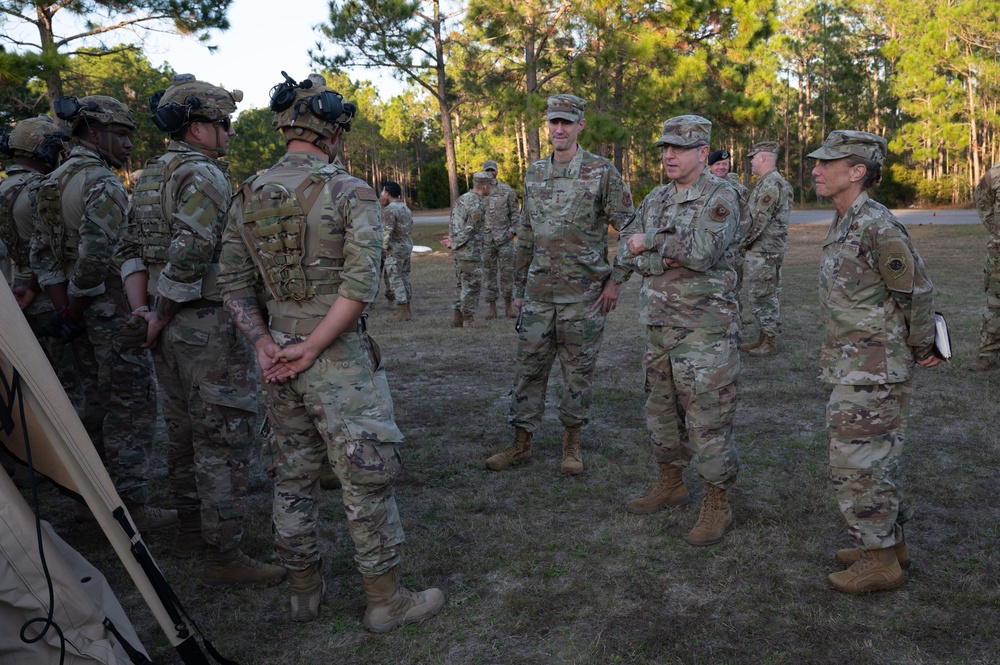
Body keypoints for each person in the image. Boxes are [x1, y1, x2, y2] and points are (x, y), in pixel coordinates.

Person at [218, 72, 444, 628]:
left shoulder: (247, 193)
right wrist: (314, 346)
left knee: (292, 477)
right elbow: (359, 285)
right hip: (335, 359)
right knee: (365, 478)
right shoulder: (351, 191)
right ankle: (385, 601)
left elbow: (233, 284)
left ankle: (303, 593)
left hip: (278, 360)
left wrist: (268, 345)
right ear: (331, 130)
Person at [114, 74, 284, 587]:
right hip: (202, 323)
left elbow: (130, 250)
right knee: (223, 437)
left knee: (183, 431)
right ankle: (224, 555)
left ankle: (191, 528)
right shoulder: (204, 176)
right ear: (196, 128)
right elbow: (190, 254)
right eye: (223, 124)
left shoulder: (147, 176)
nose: (230, 133)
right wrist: (161, 313)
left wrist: (144, 312)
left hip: (165, 328)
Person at [30, 95, 175, 532]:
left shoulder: (51, 182)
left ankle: (89, 501)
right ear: (93, 132)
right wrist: (77, 305)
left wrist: (63, 310)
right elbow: (98, 256)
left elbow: (42, 253)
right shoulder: (103, 183)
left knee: (90, 403)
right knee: (129, 403)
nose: (129, 143)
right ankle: (130, 503)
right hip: (106, 306)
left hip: (72, 310)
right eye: (121, 133)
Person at [809, 130, 940, 594]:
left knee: (858, 461)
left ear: (858, 171)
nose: (816, 169)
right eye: (817, 162)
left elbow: (916, 291)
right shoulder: (845, 218)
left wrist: (925, 347)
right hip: (854, 361)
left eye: (828, 163)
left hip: (874, 367)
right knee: (873, 458)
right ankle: (888, 544)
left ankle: (880, 560)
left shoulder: (878, 225)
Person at [485, 94, 633, 475]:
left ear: (580, 125)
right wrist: (518, 290)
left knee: (577, 372)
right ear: (547, 125)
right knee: (528, 369)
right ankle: (521, 443)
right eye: (553, 122)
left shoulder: (602, 172)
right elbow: (527, 234)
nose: (559, 129)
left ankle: (572, 444)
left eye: (567, 122)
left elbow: (631, 228)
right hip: (537, 295)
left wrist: (617, 280)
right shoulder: (534, 172)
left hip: (583, 298)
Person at [618, 115, 743, 547]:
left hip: (704, 330)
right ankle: (670, 481)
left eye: (678, 148)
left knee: (708, 418)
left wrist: (649, 241)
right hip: (657, 324)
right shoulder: (657, 197)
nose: (668, 155)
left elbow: (704, 251)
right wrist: (658, 252)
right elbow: (624, 246)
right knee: (660, 412)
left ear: (702, 153)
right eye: (664, 148)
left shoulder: (722, 195)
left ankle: (717, 502)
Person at [0, 116, 71, 345]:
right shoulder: (44, 190)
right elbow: (50, 251)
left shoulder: (4, 187)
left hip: (8, 299)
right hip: (44, 298)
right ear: (46, 150)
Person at [739, 141, 793, 357]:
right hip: (767, 249)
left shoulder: (770, 184)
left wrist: (741, 244)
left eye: (753, 157)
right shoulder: (769, 182)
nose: (751, 161)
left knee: (762, 295)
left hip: (764, 250)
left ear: (763, 157)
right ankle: (762, 338)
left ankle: (769, 342)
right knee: (764, 293)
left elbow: (757, 223)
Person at [445, 171, 494, 328]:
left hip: (460, 253)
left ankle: (457, 318)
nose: (491, 189)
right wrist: (454, 243)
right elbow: (470, 229)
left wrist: (452, 240)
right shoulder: (477, 205)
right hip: (470, 252)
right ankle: (468, 319)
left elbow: (454, 223)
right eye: (490, 185)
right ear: (485, 186)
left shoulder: (463, 199)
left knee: (461, 284)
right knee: (471, 285)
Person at [969, 162, 1000, 371]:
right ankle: (987, 354)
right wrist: (995, 231)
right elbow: (982, 201)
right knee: (995, 303)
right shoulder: (995, 174)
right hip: (999, 253)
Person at [481, 158, 520, 320]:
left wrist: (513, 231)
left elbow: (515, 214)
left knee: (507, 273)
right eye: (487, 170)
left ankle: (508, 306)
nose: (490, 173)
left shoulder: (506, 191)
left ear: (497, 171)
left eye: (493, 170)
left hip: (504, 239)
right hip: (486, 240)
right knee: (489, 273)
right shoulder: (478, 192)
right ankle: (491, 308)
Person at [380, 181, 414, 321]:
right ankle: (407, 308)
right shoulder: (405, 208)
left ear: (387, 193)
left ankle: (402, 309)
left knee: (395, 279)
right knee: (405, 277)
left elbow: (387, 231)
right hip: (406, 247)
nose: (381, 195)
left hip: (395, 249)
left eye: (382, 192)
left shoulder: (390, 209)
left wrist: (383, 247)